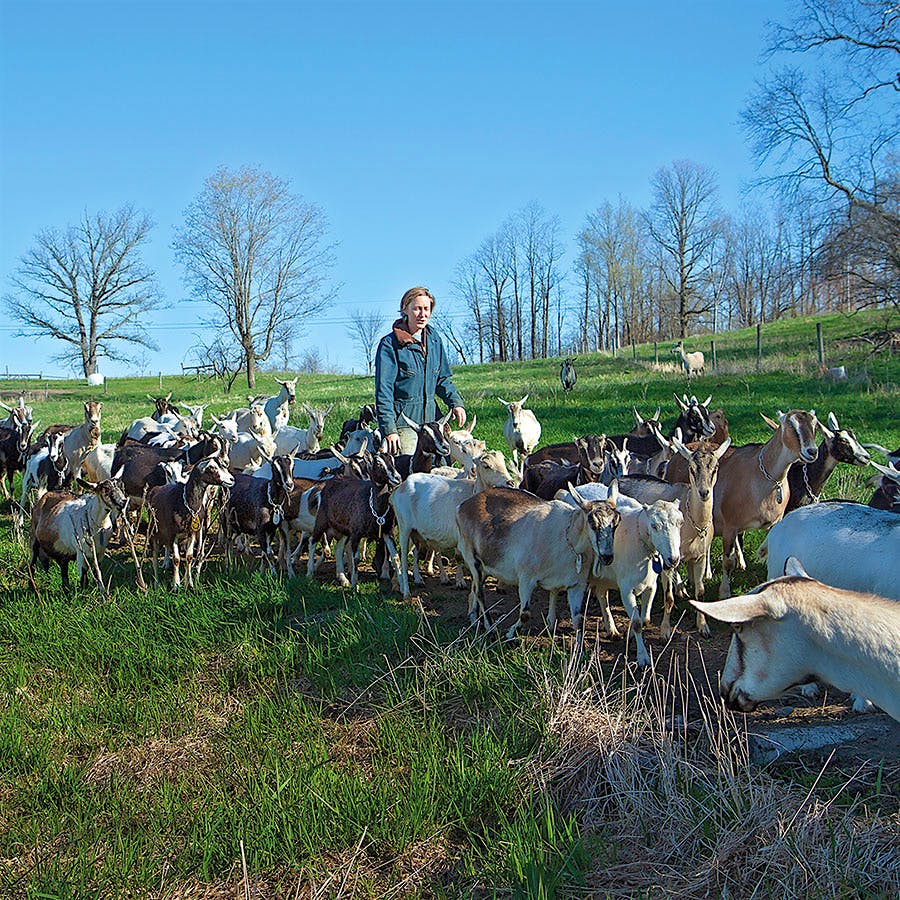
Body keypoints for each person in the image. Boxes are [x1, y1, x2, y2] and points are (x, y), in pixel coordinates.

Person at [374, 286, 466, 455]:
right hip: (404, 424)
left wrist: (456, 403)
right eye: (417, 308)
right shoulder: (390, 344)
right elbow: (384, 391)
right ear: (405, 310)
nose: (422, 314)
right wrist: (390, 430)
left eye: (426, 309)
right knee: (410, 470)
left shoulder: (434, 340)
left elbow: (442, 379)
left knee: (446, 467)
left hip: (433, 422)